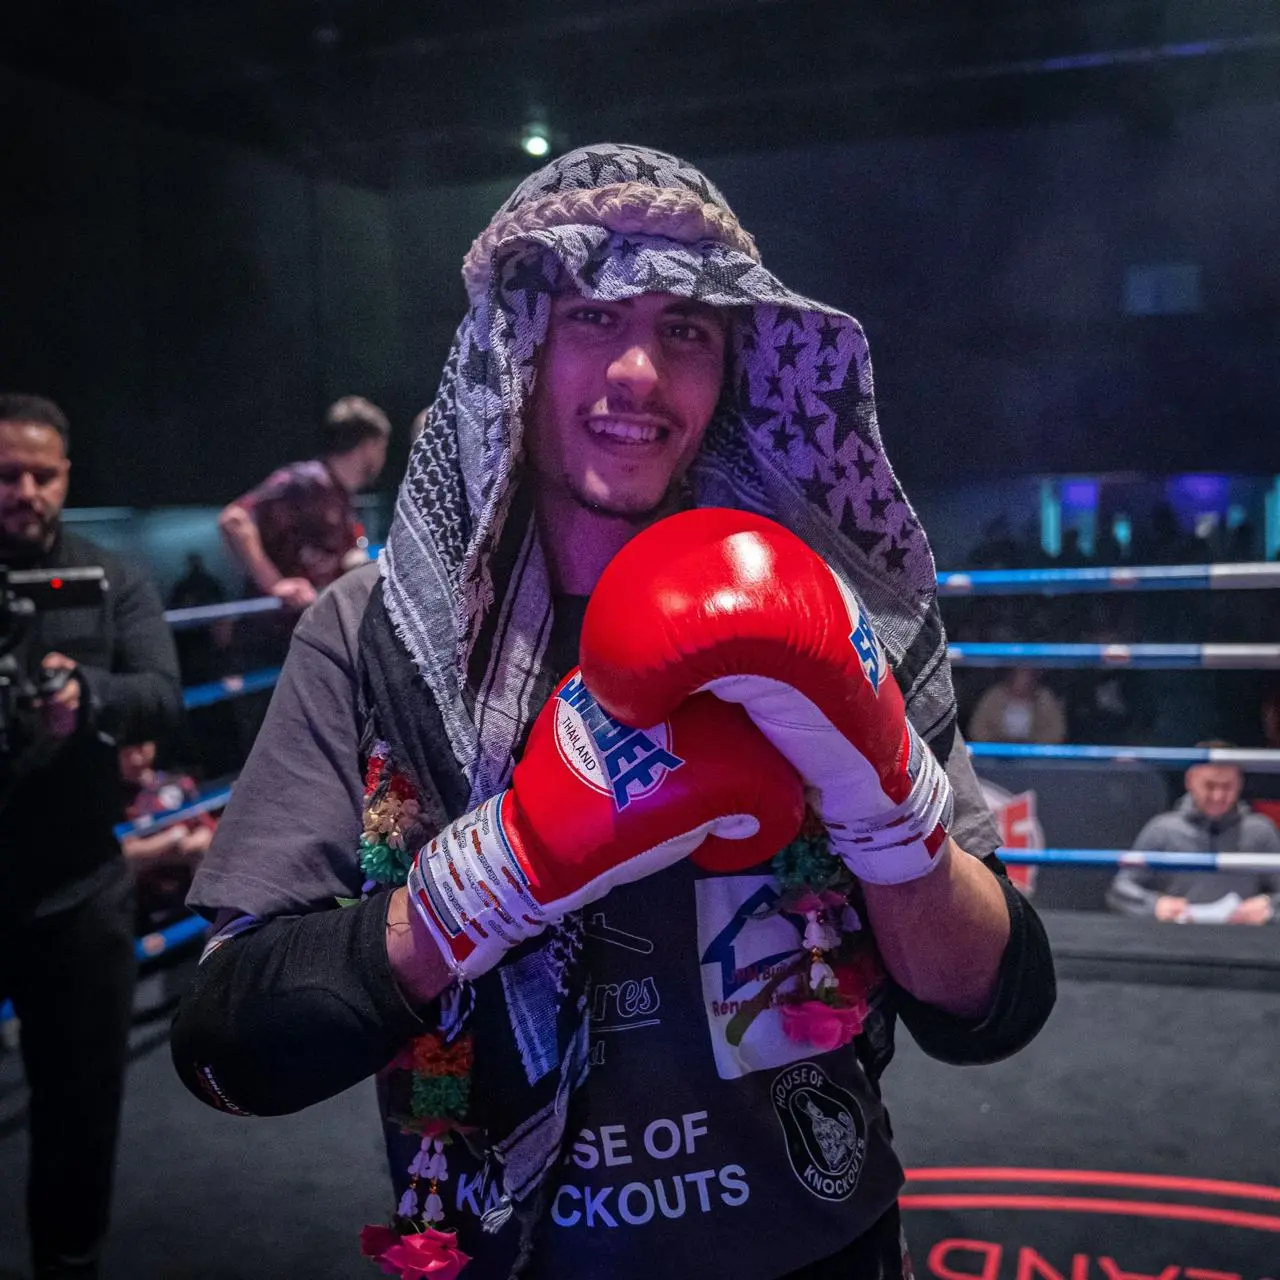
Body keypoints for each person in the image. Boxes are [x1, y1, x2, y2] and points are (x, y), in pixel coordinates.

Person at [173, 145, 1056, 1280]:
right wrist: (490, 876)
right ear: (514, 348)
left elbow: (989, 1006)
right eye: (593, 315)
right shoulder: (374, 631)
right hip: (514, 1252)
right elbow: (231, 1045)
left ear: (731, 361)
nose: (640, 369)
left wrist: (884, 803)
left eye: (686, 326)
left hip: (820, 1235)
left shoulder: (838, 607)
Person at [0, 393, 183, 1279]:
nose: (24, 490)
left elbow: (162, 693)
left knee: (81, 1118)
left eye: (41, 474)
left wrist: (89, 698)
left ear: (66, 477)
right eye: (7, 474)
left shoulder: (111, 579)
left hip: (78, 887)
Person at [218, 394, 390, 613]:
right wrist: (275, 584)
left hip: (306, 629)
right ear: (368, 445)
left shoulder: (342, 496)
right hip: (273, 632)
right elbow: (233, 519)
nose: (383, 458)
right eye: (382, 447)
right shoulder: (306, 482)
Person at [1108, 749, 1280, 925]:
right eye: (1210, 785)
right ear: (1190, 781)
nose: (1218, 796)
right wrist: (1155, 906)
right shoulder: (1162, 829)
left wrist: (1269, 907)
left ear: (1239, 784)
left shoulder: (1260, 831)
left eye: (1227, 786)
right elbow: (1120, 890)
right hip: (1175, 942)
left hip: (1246, 943)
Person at [118, 740, 215, 934]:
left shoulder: (179, 782)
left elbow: (207, 831)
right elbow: (124, 851)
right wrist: (171, 838)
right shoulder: (115, 798)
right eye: (127, 752)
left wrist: (187, 844)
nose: (135, 758)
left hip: (193, 893)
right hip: (147, 907)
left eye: (139, 748)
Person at [967, 666, 1067, 745]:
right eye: (1020, 673)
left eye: (1028, 674)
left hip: (1034, 759)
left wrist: (1032, 744)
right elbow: (977, 729)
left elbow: (1056, 732)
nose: (1024, 680)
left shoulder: (1044, 698)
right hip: (996, 757)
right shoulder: (994, 696)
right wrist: (997, 742)